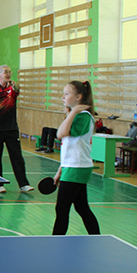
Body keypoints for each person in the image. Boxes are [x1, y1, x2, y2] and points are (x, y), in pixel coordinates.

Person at [51, 81, 100, 236]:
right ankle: (96, 238)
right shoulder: (77, 115)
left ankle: (55, 242)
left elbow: (60, 134)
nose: (63, 96)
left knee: (62, 208)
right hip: (73, 167)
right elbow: (69, 148)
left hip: (77, 168)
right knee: (82, 207)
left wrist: (72, 112)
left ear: (78, 97)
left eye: (67, 93)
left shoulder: (83, 117)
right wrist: (60, 170)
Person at [0, 65, 33, 194]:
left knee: (17, 157)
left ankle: (24, 184)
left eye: (9, 72)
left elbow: (17, 90)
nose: (8, 74)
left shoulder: (12, 89)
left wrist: (16, 86)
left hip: (11, 129)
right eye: (5, 72)